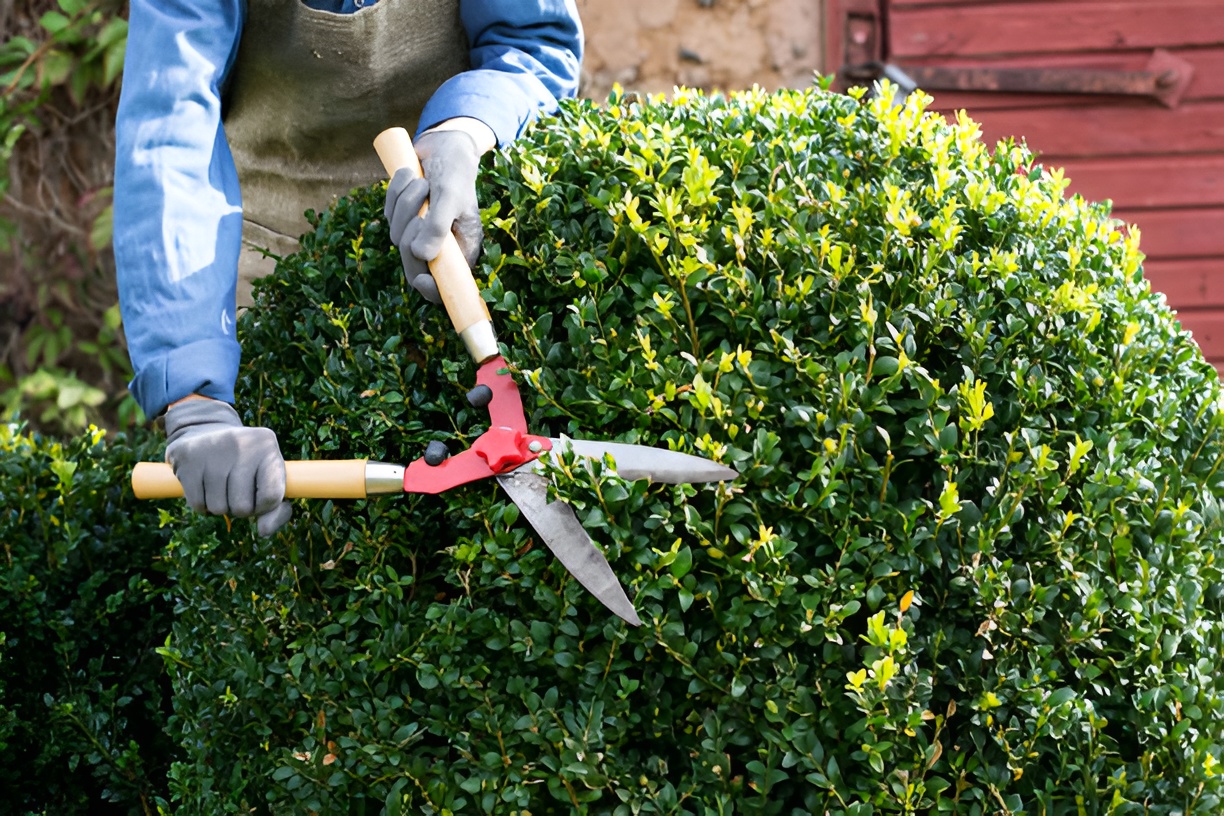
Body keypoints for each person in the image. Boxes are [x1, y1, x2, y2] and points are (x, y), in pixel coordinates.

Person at [114, 0, 583, 536]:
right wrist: (195, 400)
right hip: (266, 265)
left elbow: (534, 41)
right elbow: (168, 126)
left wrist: (467, 126)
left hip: (455, 231)